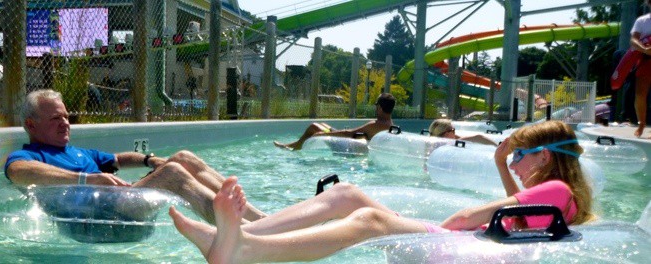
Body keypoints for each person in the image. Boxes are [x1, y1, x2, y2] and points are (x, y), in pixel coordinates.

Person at [169, 120, 595, 263]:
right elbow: (515, 216)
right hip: (470, 247)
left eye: (519, 156)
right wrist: (501, 164)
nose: (515, 163)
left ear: (542, 157)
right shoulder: (560, 193)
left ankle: (242, 250)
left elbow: (468, 221)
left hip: (460, 249)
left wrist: (424, 230)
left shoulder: (555, 188)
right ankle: (242, 235)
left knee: (369, 220)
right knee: (347, 194)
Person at [4, 89, 266, 224]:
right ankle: (238, 230)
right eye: (55, 119)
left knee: (183, 158)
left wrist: (149, 160)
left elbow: (119, 159)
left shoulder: (79, 151)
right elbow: (18, 172)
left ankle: (260, 220)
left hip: (119, 202)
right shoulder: (29, 154)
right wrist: (87, 179)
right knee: (173, 174)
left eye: (65, 116)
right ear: (31, 125)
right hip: (99, 218)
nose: (65, 123)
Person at [274, 93, 396, 150]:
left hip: (346, 147)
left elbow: (349, 133)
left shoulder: (375, 125)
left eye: (376, 105)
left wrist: (324, 134)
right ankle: (294, 144)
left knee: (314, 127)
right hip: (352, 144)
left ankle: (293, 147)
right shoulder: (390, 124)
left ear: (379, 107)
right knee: (322, 125)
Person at [631, 0, 651, 138]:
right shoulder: (642, 21)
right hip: (646, 59)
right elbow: (633, 40)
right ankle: (642, 123)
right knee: (640, 94)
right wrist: (644, 49)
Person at [428, 119, 498, 146]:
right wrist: (497, 146)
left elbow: (456, 137)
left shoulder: (431, 143)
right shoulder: (450, 144)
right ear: (447, 134)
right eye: (453, 130)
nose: (455, 133)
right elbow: (479, 137)